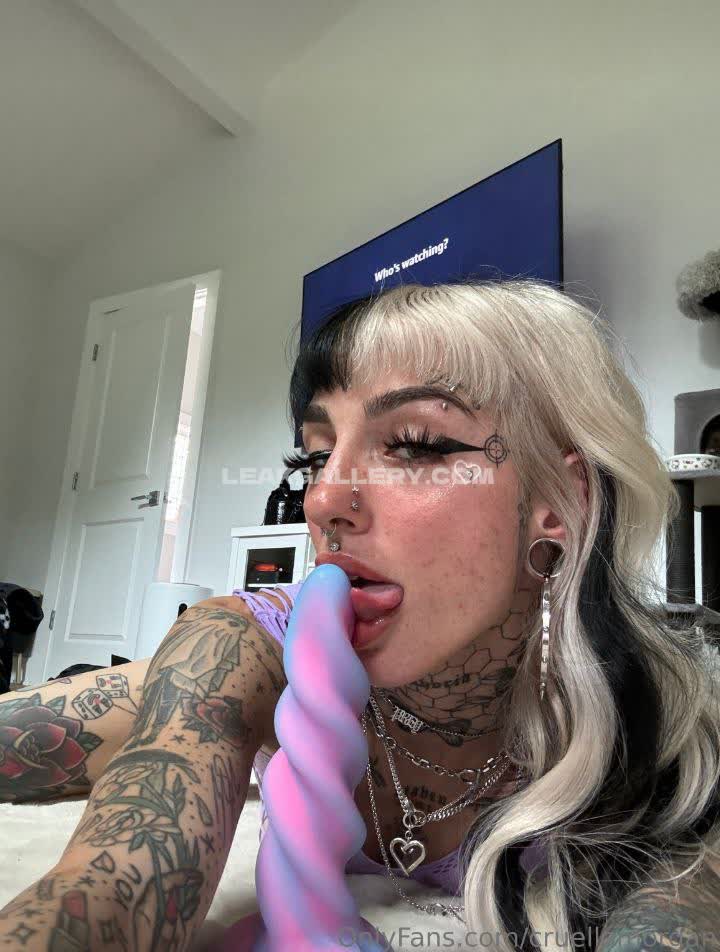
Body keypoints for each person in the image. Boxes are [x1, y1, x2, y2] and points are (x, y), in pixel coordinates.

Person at [1, 280, 719, 951]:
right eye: (314, 457)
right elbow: (114, 888)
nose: (321, 502)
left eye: (415, 445)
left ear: (559, 503)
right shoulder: (246, 648)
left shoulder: (654, 733)